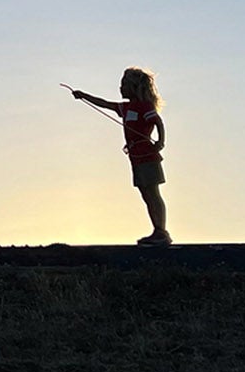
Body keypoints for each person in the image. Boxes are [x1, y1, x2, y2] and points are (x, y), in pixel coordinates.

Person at [68, 67, 170, 246]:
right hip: (136, 157)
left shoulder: (143, 107)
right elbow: (105, 103)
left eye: (124, 84)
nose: (121, 88)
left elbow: (157, 121)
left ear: (134, 87)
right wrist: (83, 95)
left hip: (147, 154)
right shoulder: (125, 107)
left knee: (152, 192)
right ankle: (157, 229)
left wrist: (160, 142)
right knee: (146, 193)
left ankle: (161, 231)